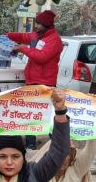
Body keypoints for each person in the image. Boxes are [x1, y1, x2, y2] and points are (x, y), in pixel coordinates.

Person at [7, 10, 62, 149]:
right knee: (31, 113)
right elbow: (24, 36)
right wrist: (8, 35)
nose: (35, 25)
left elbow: (42, 56)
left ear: (47, 25)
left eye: (38, 23)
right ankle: (30, 144)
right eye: (36, 22)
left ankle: (56, 142)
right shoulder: (37, 36)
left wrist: (23, 49)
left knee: (46, 114)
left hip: (45, 82)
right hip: (32, 80)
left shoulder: (54, 40)